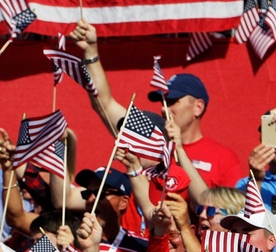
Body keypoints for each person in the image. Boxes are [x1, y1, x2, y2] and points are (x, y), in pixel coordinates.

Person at [70, 17, 245, 189]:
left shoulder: (223, 158)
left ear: (198, 107)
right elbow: (104, 104)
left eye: (172, 102)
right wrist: (91, 51)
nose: (163, 108)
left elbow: (229, 210)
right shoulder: (150, 134)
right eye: (163, 102)